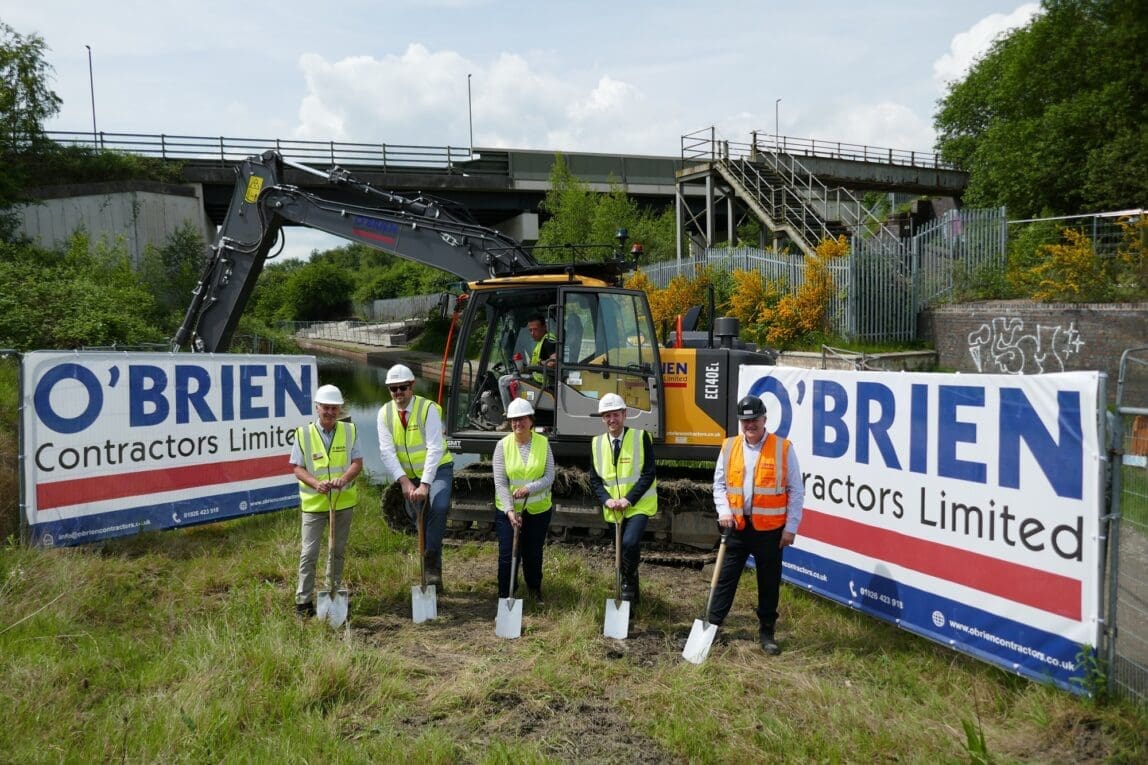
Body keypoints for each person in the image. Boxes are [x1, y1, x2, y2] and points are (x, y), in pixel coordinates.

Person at [709, 394, 804, 655]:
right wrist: (724, 511)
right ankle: (712, 626)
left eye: (754, 420)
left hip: (770, 531)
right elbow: (719, 485)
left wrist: (791, 527)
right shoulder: (729, 447)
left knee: (769, 581)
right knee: (725, 579)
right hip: (737, 527)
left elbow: (796, 490)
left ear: (764, 419)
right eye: (745, 420)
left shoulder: (783, 448)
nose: (749, 425)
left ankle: (767, 632)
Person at [290, 383, 363, 618]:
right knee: (309, 553)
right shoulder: (303, 434)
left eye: (335, 408)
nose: (330, 412)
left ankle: (333, 592)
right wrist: (315, 483)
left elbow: (357, 463)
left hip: (342, 503)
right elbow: (297, 468)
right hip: (314, 505)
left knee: (336, 551)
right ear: (317, 407)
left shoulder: (350, 431)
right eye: (326, 408)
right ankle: (303, 601)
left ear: (339, 409)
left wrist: (344, 479)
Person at [377, 364, 454, 587]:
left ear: (412, 386)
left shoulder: (428, 409)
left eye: (402, 387)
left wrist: (426, 484)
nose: (398, 393)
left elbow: (434, 448)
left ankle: (430, 562)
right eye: (393, 389)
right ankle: (433, 579)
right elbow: (386, 451)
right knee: (420, 519)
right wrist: (404, 481)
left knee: (438, 507)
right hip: (409, 477)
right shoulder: (384, 413)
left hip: (438, 469)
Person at [589, 393, 657, 606]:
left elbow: (648, 473)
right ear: (603, 419)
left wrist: (628, 499)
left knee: (629, 543)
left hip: (638, 506)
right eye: (607, 416)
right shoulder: (596, 443)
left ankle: (627, 585)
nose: (611, 420)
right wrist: (606, 500)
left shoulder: (640, 437)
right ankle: (632, 597)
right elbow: (594, 480)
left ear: (624, 414)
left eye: (615, 414)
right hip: (613, 509)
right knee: (621, 551)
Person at [493, 397, 555, 602]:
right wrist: (510, 511)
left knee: (533, 554)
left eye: (521, 419)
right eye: (513, 420)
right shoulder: (502, 446)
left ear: (530, 420)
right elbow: (501, 483)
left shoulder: (543, 443)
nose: (517, 424)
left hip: (538, 510)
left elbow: (549, 477)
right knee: (507, 555)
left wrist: (529, 489)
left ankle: (534, 589)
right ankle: (505, 594)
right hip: (508, 511)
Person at [498, 313, 557, 417]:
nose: (532, 333)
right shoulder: (541, 342)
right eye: (530, 330)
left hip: (543, 383)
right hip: (538, 377)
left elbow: (554, 362)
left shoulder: (548, 341)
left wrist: (540, 363)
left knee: (503, 381)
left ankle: (508, 416)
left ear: (544, 327)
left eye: (535, 329)